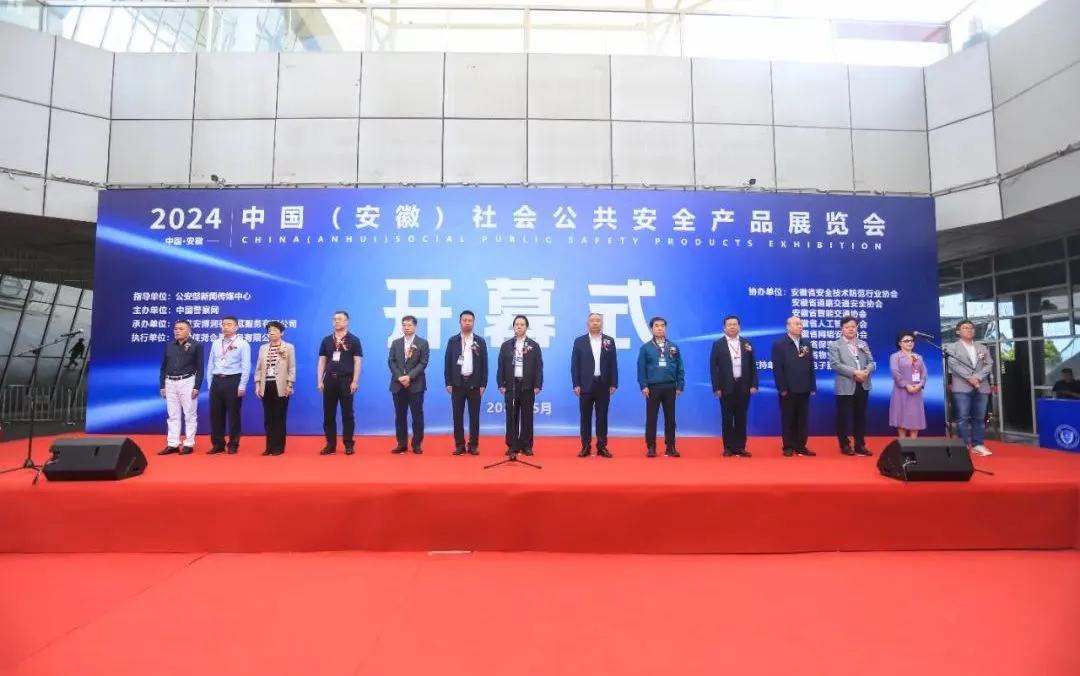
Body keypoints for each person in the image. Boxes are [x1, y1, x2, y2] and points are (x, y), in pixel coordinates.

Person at [828, 316, 876, 456]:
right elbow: (835, 364)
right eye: (847, 327)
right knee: (843, 417)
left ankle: (860, 445)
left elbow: (871, 362)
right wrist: (855, 372)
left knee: (860, 416)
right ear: (842, 329)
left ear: (857, 328)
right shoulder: (835, 345)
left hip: (863, 384)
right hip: (845, 385)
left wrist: (866, 371)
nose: (850, 329)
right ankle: (844, 445)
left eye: (853, 327)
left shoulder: (862, 344)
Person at [571, 313, 618, 458]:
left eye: (598, 320)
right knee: (585, 417)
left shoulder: (609, 341)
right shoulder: (579, 341)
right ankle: (585, 446)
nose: (595, 323)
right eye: (592, 320)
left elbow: (613, 364)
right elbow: (575, 365)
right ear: (588, 324)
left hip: (603, 384)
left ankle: (602, 446)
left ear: (602, 323)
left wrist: (614, 383)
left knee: (602, 417)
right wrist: (576, 384)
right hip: (585, 385)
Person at [709, 314, 757, 457]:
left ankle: (741, 447)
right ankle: (728, 447)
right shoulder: (718, 344)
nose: (732, 327)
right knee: (727, 418)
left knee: (741, 418)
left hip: (743, 385)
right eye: (729, 325)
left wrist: (754, 384)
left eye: (735, 324)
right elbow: (713, 367)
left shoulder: (746, 343)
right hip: (726, 387)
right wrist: (716, 387)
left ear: (739, 327)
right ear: (724, 328)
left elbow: (752, 365)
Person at [944, 319, 993, 457]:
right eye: (965, 328)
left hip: (981, 386)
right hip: (962, 387)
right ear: (958, 331)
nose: (969, 330)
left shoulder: (982, 347)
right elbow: (953, 365)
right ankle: (963, 444)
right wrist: (970, 378)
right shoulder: (952, 347)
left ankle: (978, 444)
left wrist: (977, 377)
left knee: (979, 418)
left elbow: (989, 364)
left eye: (971, 328)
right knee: (962, 417)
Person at [637, 316, 684, 457]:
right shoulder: (645, 348)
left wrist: (680, 385)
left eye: (662, 326)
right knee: (651, 419)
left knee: (670, 419)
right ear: (651, 329)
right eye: (656, 326)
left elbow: (680, 367)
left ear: (666, 328)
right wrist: (643, 385)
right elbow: (641, 369)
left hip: (670, 387)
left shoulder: (673, 347)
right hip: (652, 388)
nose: (659, 328)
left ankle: (671, 447)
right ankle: (651, 447)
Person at [496, 315, 543, 456]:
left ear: (526, 327)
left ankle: (526, 445)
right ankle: (512, 445)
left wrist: (538, 384)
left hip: (527, 385)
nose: (519, 326)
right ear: (513, 327)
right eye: (517, 324)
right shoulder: (506, 345)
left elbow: (539, 367)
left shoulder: (534, 346)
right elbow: (501, 366)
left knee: (527, 417)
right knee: (511, 416)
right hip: (511, 385)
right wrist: (500, 383)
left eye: (522, 324)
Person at [318, 310, 362, 455]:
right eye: (334, 319)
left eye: (340, 319)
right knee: (328, 414)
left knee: (347, 414)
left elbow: (357, 361)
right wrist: (320, 380)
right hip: (329, 380)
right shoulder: (326, 340)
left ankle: (348, 444)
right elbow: (322, 361)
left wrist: (355, 381)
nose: (336, 321)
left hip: (346, 380)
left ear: (347, 322)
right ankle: (330, 445)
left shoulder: (354, 340)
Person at [445, 310, 488, 455]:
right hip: (457, 384)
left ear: (474, 323)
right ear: (460, 322)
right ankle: (459, 445)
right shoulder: (453, 341)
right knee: (457, 416)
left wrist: (483, 384)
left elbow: (484, 365)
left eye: (470, 321)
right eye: (465, 320)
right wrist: (448, 382)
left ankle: (473, 445)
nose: (467, 323)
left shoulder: (480, 341)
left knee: (474, 417)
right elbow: (447, 363)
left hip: (475, 384)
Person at [772, 315, 816, 457]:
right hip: (788, 389)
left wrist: (812, 386)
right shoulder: (780, 344)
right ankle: (788, 446)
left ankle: (801, 446)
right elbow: (778, 368)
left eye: (800, 324)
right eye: (796, 324)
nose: (799, 326)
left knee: (802, 419)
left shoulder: (806, 343)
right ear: (788, 327)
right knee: (788, 418)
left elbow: (811, 366)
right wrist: (782, 388)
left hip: (804, 387)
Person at [158, 319, 203, 455]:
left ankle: (189, 444)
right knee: (172, 415)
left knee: (189, 414)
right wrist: (162, 385)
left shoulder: (196, 345)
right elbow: (163, 367)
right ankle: (173, 444)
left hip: (187, 381)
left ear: (189, 330)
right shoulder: (169, 345)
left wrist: (197, 386)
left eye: (181, 329)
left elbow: (200, 368)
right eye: (176, 329)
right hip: (170, 382)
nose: (177, 331)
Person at [206, 316, 251, 454]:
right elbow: (211, 363)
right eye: (223, 324)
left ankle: (233, 444)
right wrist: (210, 383)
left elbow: (246, 366)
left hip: (233, 381)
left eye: (229, 324)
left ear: (236, 327)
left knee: (233, 415)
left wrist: (242, 385)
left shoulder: (243, 344)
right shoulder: (216, 343)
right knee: (215, 415)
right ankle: (218, 444)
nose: (225, 327)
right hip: (216, 380)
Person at [388, 315, 430, 454]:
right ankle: (401, 444)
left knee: (417, 416)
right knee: (400, 416)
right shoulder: (396, 343)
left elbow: (423, 363)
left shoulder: (422, 343)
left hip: (416, 385)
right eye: (404, 325)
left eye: (409, 325)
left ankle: (416, 444)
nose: (406, 327)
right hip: (398, 384)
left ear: (415, 327)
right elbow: (391, 361)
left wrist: (409, 377)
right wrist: (400, 377)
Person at [254, 321, 296, 456]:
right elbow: (259, 368)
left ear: (281, 333)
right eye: (269, 330)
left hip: (281, 386)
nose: (271, 332)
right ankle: (269, 447)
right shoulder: (263, 348)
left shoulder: (288, 347)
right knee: (268, 418)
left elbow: (292, 367)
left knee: (279, 417)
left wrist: (289, 385)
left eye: (275, 330)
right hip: (266, 385)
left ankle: (279, 447)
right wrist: (257, 384)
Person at [889, 331, 927, 437]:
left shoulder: (918, 357)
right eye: (906, 341)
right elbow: (895, 372)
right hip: (901, 390)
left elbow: (924, 372)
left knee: (915, 416)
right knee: (901, 415)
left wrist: (920, 385)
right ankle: (903, 442)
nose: (910, 343)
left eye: (911, 341)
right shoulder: (895, 356)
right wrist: (907, 385)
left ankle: (914, 443)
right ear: (900, 343)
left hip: (916, 390)